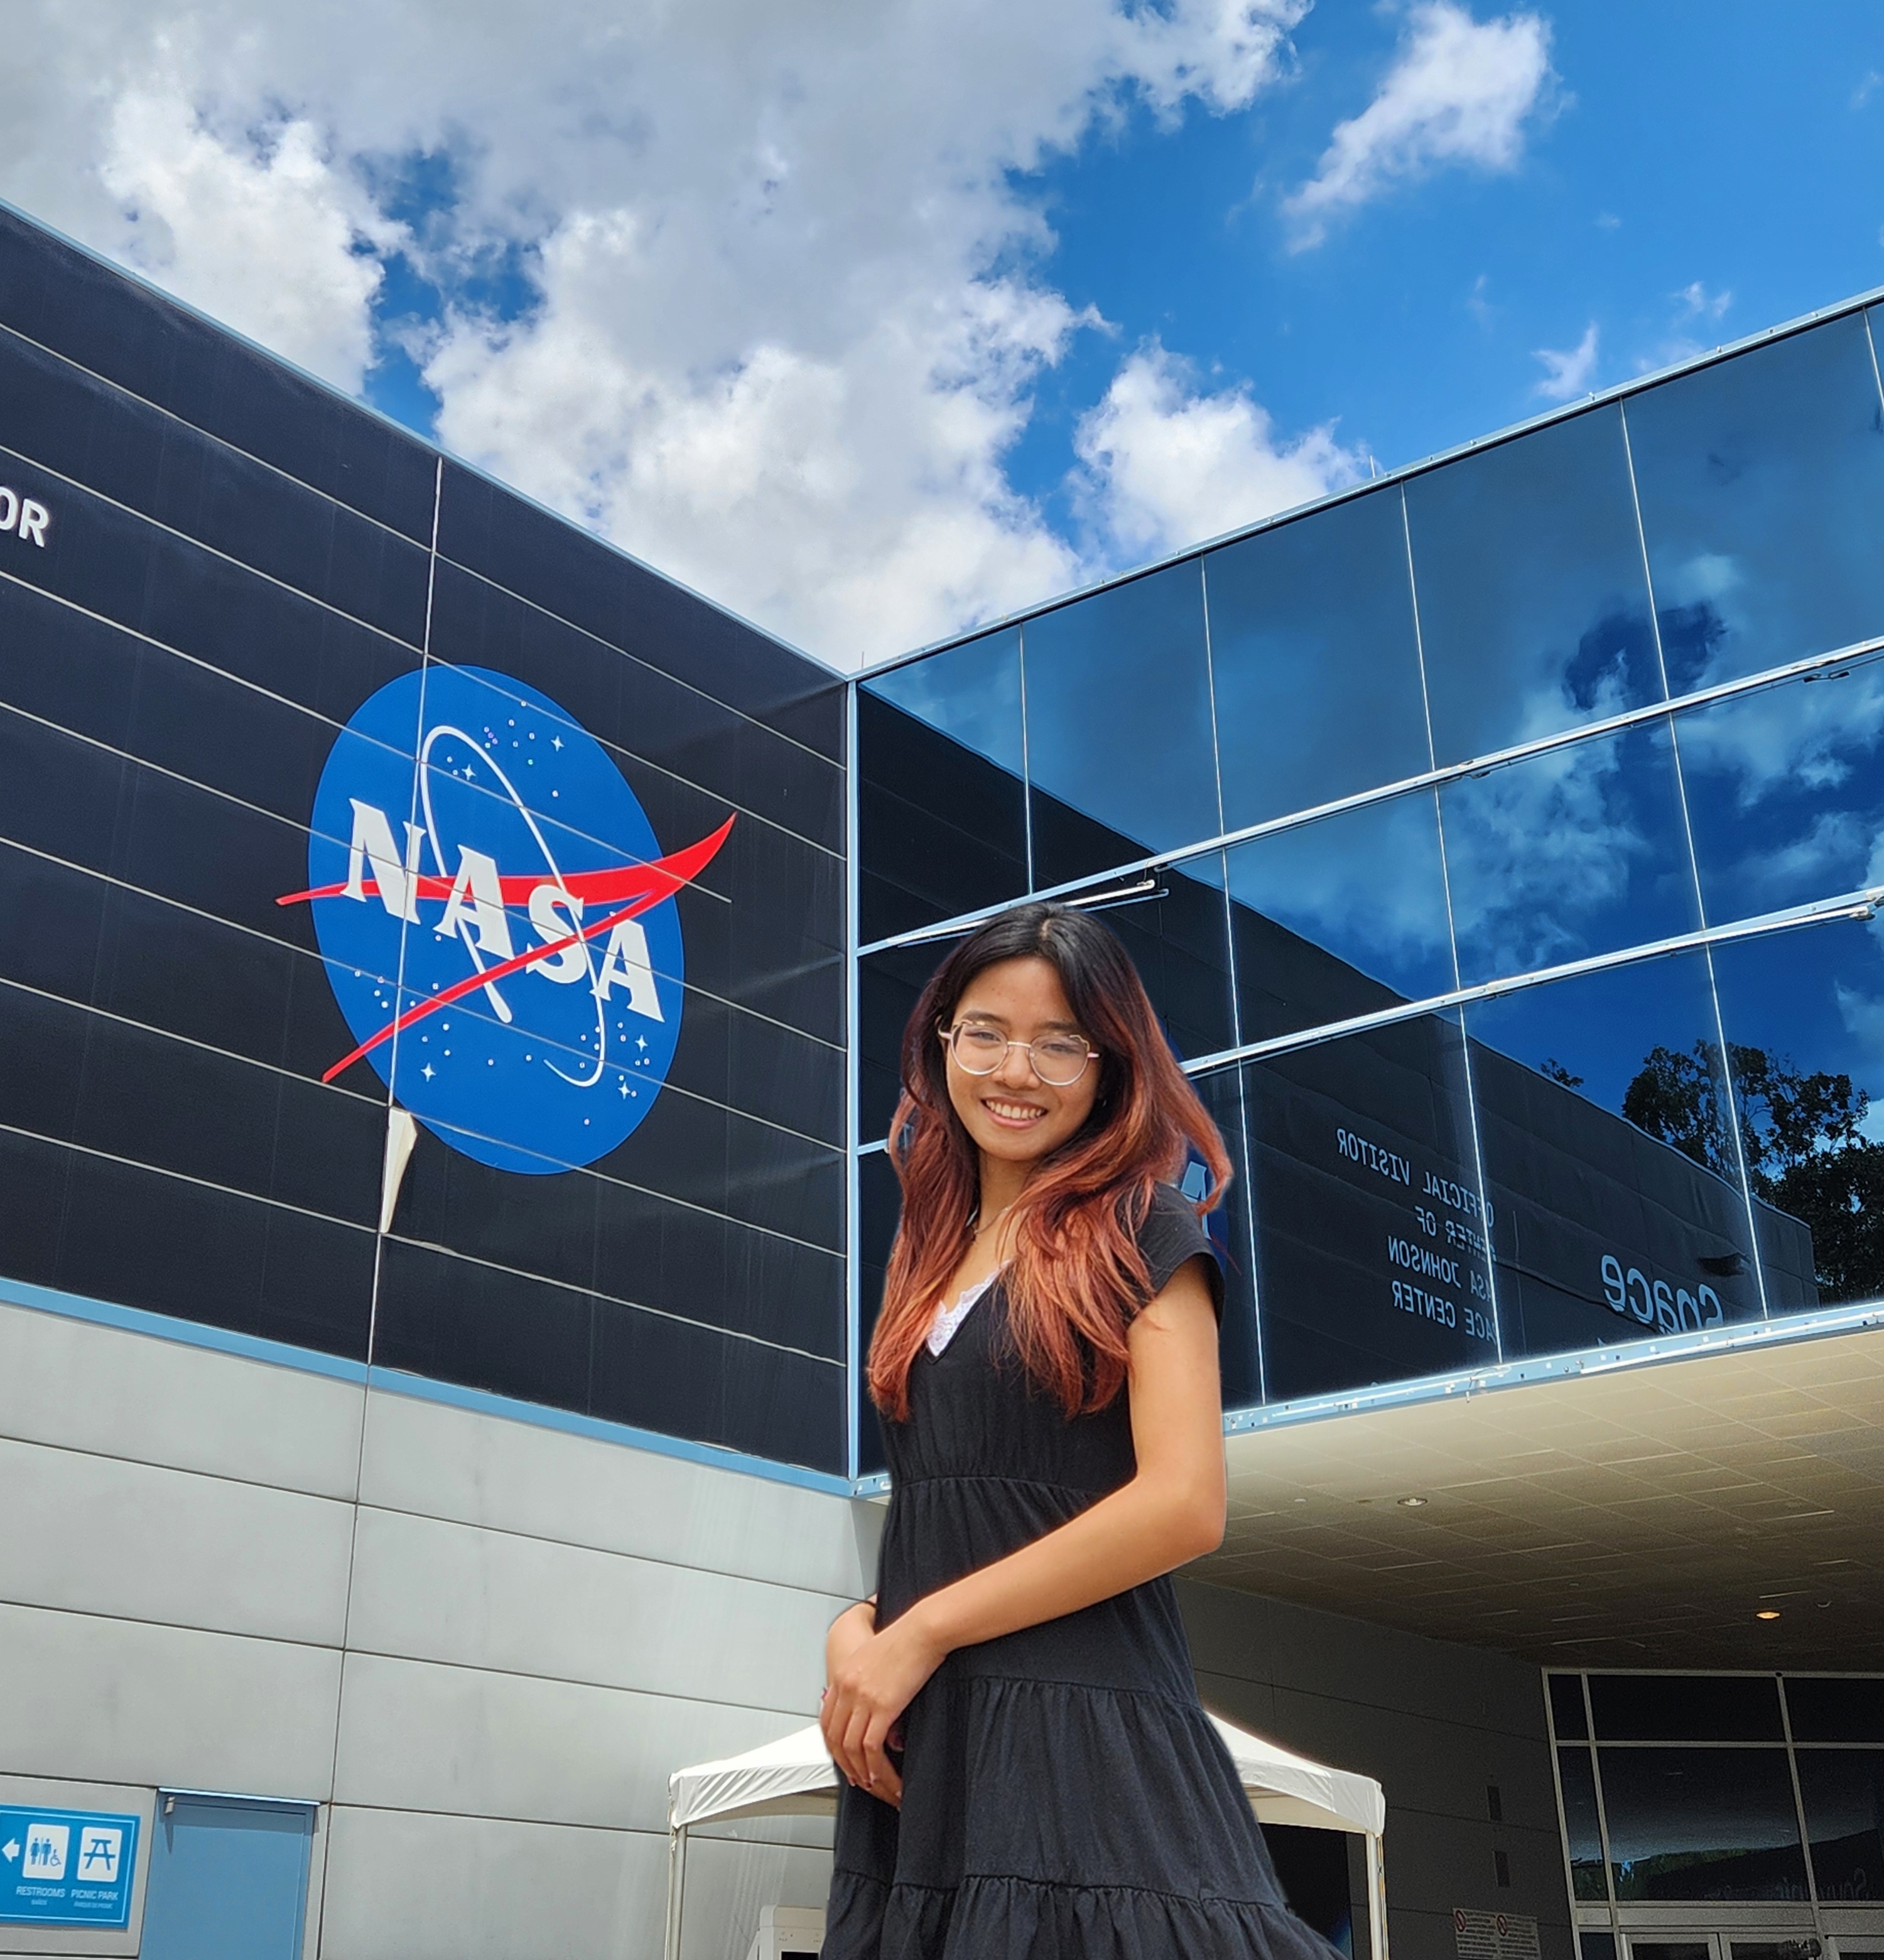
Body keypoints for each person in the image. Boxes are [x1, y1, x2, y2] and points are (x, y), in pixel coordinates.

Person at [820, 901, 1346, 1960]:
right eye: (987, 1032)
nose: (1018, 1069)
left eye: (1061, 1042)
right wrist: (863, 1623)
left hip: (1082, 1736)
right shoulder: (924, 1257)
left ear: (1110, 1068)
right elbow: (968, 1501)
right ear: (941, 1043)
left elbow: (1184, 1502)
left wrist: (919, 1629)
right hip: (940, 1741)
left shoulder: (1148, 1230)